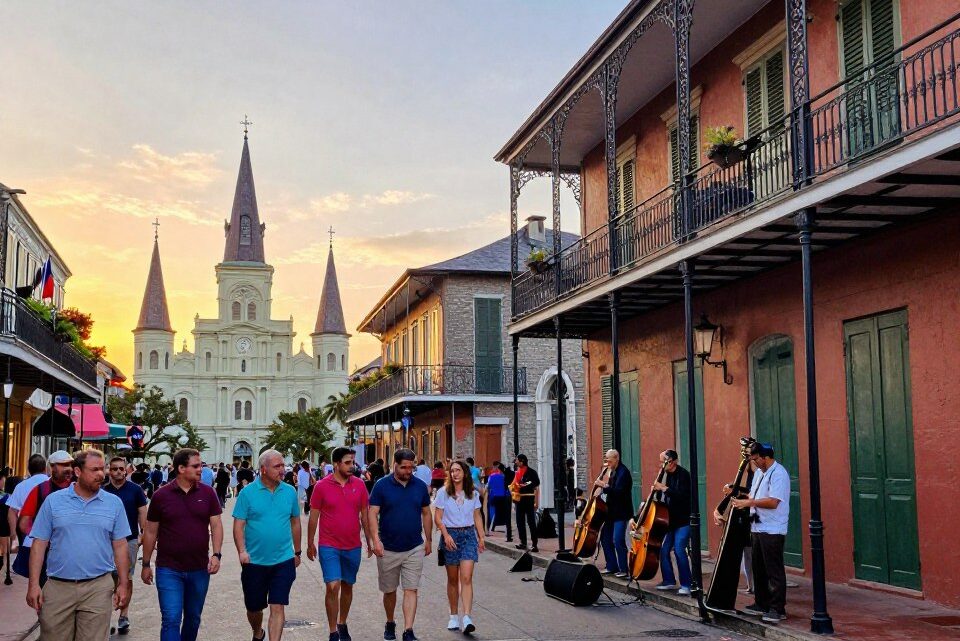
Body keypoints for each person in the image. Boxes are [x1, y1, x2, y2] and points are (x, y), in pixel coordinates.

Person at [26, 449, 131, 641]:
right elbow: (39, 544)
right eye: (94, 470)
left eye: (102, 469)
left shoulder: (114, 503)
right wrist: (33, 584)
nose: (101, 474)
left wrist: (123, 584)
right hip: (58, 586)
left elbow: (121, 546)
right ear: (77, 472)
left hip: (98, 587)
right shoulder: (53, 502)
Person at [141, 448, 223, 641]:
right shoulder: (161, 496)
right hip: (169, 569)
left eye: (200, 465)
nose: (200, 469)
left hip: (199, 568)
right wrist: (145, 564)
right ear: (181, 468)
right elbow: (150, 531)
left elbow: (217, 525)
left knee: (193, 618)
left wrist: (216, 554)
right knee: (170, 619)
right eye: (195, 466)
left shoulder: (208, 493)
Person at [234, 449, 302, 641]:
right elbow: (238, 525)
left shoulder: (289, 491)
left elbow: (295, 521)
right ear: (263, 469)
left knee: (277, 605)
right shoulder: (247, 493)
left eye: (283, 465)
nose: (282, 470)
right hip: (254, 562)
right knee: (254, 607)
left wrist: (297, 551)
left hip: (283, 560)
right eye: (277, 466)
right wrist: (242, 551)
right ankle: (257, 631)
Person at [307, 446, 373, 641]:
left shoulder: (360, 485)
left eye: (353, 462)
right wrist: (310, 542)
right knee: (333, 586)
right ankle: (333, 631)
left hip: (353, 545)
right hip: (329, 545)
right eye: (347, 462)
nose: (352, 466)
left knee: (347, 585)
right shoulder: (321, 486)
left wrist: (369, 540)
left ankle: (342, 622)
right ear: (336, 464)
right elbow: (314, 517)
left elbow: (365, 515)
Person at [369, 448, 432, 641]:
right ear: (394, 465)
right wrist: (375, 541)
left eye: (411, 467)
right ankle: (390, 621)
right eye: (403, 467)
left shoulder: (420, 486)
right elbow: (372, 513)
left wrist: (428, 539)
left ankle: (408, 630)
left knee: (411, 588)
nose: (407, 471)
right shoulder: (381, 486)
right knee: (389, 591)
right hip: (387, 547)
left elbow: (426, 513)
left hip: (414, 546)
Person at [731, 442, 791, 624]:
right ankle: (761, 603)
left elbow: (773, 502)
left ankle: (777, 608)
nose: (754, 462)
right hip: (757, 526)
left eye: (756, 459)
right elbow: (753, 495)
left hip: (772, 528)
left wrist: (748, 504)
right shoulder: (758, 473)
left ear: (766, 458)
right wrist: (737, 493)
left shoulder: (779, 474)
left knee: (774, 570)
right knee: (759, 568)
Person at [434, 460, 485, 634]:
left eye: (458, 470)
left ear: (464, 473)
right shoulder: (443, 493)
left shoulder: (472, 493)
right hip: (451, 536)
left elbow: (477, 516)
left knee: (467, 577)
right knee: (453, 579)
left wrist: (481, 536)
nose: (454, 473)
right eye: (452, 471)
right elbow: (438, 517)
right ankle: (454, 615)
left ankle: (467, 617)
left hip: (469, 535)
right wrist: (445, 534)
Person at [103, 456, 148, 635]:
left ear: (126, 470)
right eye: (114, 469)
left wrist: (142, 534)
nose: (118, 472)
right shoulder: (104, 491)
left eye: (121, 469)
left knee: (126, 578)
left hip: (129, 539)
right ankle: (104, 616)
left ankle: (123, 615)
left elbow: (142, 512)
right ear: (109, 470)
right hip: (106, 541)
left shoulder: (135, 490)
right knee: (106, 579)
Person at [13, 451, 74, 582]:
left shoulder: (78, 488)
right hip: (47, 556)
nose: (68, 468)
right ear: (51, 467)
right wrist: (43, 537)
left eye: (70, 464)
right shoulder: (40, 490)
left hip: (73, 555)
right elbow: (24, 523)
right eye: (63, 465)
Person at [651, 449, 692, 596]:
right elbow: (667, 496)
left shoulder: (683, 475)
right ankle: (669, 580)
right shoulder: (667, 475)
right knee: (663, 549)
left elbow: (681, 496)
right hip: (670, 520)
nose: (662, 465)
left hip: (683, 520)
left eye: (663, 462)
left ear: (672, 462)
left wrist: (663, 488)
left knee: (680, 550)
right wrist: (656, 491)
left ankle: (687, 584)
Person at [595, 449, 633, 578]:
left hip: (621, 512)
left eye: (609, 460)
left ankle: (624, 569)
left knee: (618, 540)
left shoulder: (624, 473)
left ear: (616, 458)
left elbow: (619, 492)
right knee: (605, 538)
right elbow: (610, 490)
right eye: (606, 460)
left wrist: (604, 486)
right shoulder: (612, 471)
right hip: (610, 512)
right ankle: (611, 566)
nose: (607, 462)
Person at [6, 453, 47, 560]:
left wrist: (13, 536)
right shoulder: (50, 484)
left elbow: (12, 512)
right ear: (45, 468)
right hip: (50, 538)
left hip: (27, 537)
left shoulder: (21, 486)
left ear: (29, 469)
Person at [511, 454, 540, 553]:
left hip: (528, 499)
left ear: (522, 461)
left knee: (531, 522)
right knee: (520, 522)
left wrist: (525, 484)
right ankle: (523, 542)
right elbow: (515, 484)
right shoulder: (517, 473)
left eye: (517, 460)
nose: (515, 462)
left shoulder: (531, 472)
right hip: (519, 500)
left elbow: (535, 482)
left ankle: (534, 544)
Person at [485, 462, 507, 535]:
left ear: (495, 467)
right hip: (503, 496)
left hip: (493, 496)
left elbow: (488, 487)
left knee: (491, 513)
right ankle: (507, 531)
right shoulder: (504, 476)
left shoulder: (491, 476)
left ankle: (487, 530)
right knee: (504, 513)